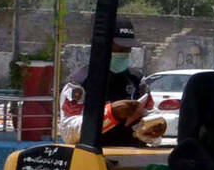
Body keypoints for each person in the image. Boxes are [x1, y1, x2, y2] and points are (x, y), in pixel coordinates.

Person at [57, 16, 164, 146]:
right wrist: (110, 114)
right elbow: (68, 132)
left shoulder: (137, 80)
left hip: (131, 157)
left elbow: (150, 117)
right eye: (118, 49)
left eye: (127, 50)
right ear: (102, 47)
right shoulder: (78, 83)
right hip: (92, 158)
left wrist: (154, 127)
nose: (123, 54)